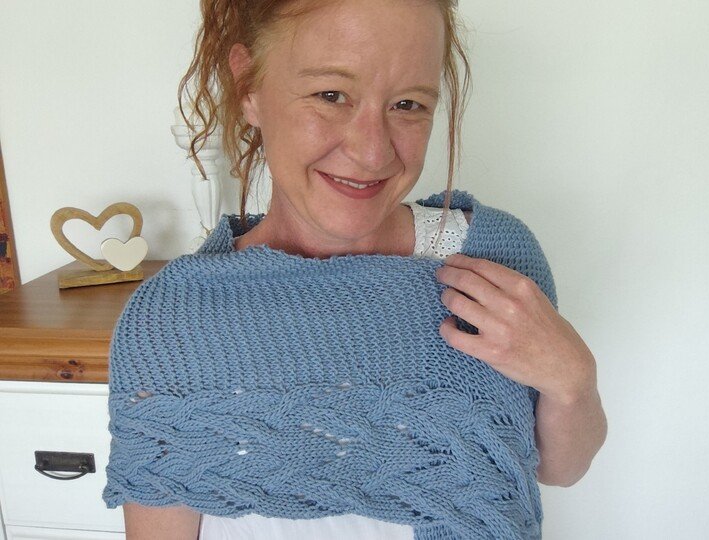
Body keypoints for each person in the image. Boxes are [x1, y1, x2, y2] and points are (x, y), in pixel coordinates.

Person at [119, 0, 608, 538]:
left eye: (407, 104)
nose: (373, 152)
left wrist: (573, 382)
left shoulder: (493, 259)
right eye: (331, 95)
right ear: (248, 87)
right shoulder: (172, 323)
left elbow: (558, 468)